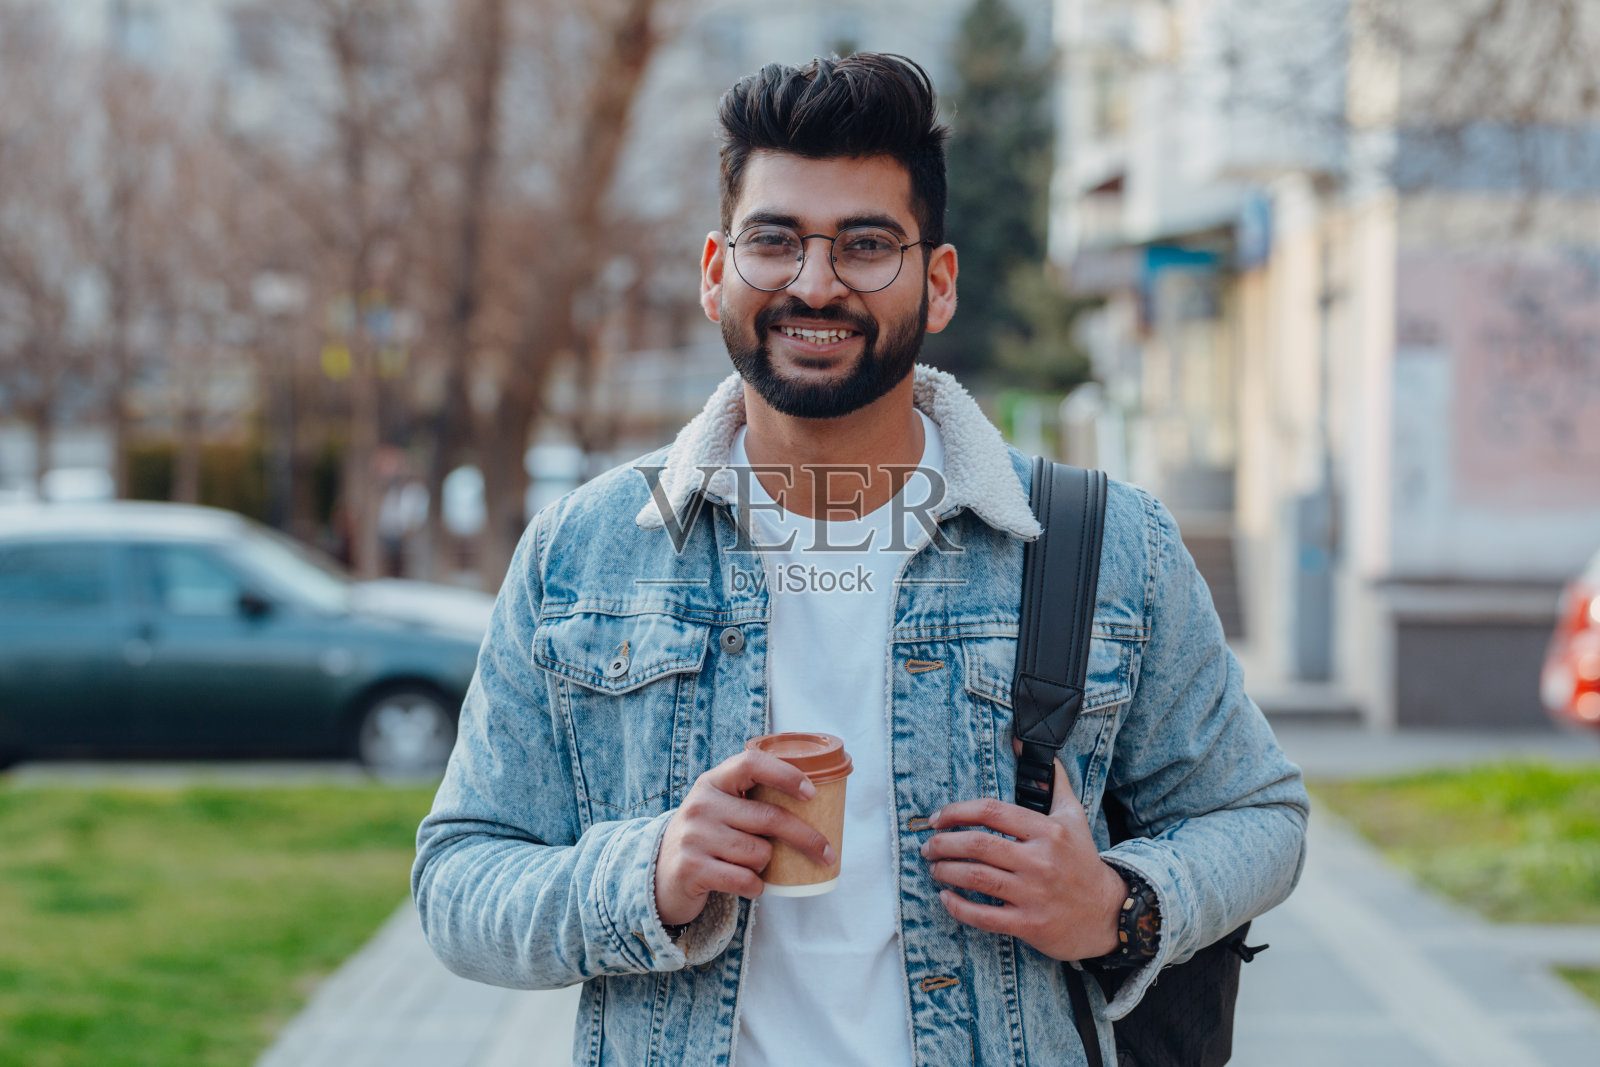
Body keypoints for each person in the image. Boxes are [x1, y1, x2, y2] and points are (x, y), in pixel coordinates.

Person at [413, 53, 1308, 1066]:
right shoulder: (582, 551)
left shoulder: (1105, 546)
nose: (814, 282)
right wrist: (646, 871)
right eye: (775, 240)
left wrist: (1114, 904)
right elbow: (457, 877)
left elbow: (1257, 813)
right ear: (717, 272)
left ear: (936, 285)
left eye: (866, 244)